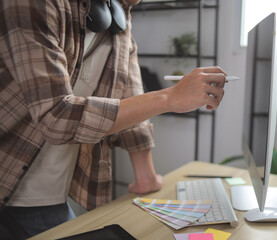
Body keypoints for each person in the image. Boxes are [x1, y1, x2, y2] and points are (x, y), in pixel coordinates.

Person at [0, 0, 226, 238]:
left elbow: (131, 90)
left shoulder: (120, 12)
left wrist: (145, 175)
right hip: (9, 178)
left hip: (51, 190)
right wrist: (170, 97)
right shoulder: (31, 4)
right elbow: (56, 116)